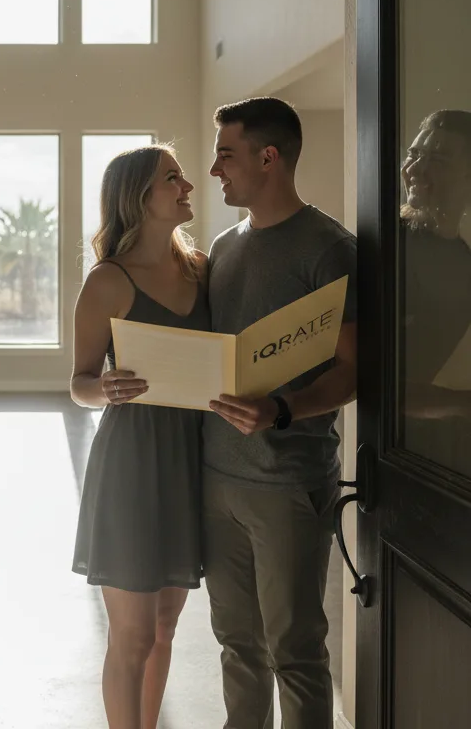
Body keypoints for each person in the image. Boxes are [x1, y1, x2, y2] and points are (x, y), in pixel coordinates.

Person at [204, 98, 357, 729]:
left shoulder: (330, 249)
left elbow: (354, 370)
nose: (214, 169)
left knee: (293, 652)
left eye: (225, 154)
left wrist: (282, 410)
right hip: (216, 480)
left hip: (289, 482)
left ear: (268, 158)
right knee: (237, 646)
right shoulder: (221, 246)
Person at [70, 145, 208, 729]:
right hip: (130, 465)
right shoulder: (107, 281)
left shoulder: (204, 269)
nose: (188, 187)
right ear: (138, 198)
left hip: (192, 459)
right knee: (130, 637)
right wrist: (107, 390)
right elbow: (78, 384)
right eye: (171, 179)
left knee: (165, 627)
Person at [400, 110, 471, 469]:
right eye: (413, 155)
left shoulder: (462, 264)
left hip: (430, 453)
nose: (414, 170)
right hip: (390, 450)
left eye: (438, 160)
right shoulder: (385, 243)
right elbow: (369, 380)